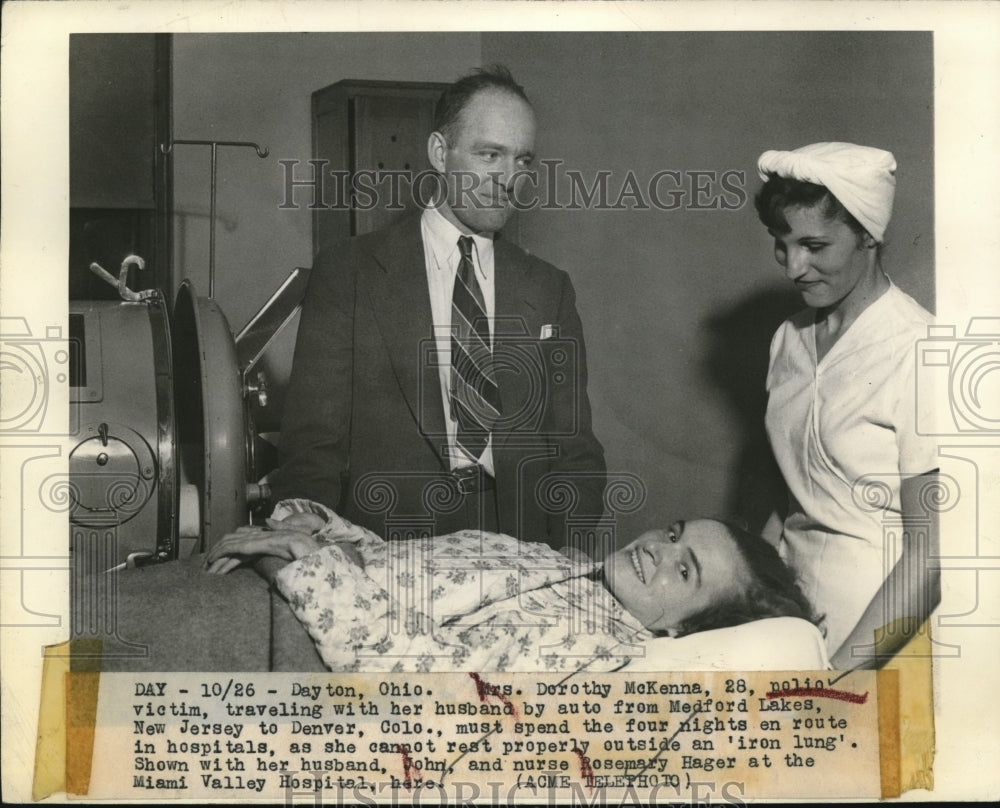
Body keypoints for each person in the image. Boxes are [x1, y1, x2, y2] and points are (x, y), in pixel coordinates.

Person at [266, 65, 606, 550]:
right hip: (384, 544)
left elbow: (575, 452)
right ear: (440, 154)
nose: (510, 179)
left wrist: (562, 553)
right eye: (490, 154)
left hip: (517, 549)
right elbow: (312, 447)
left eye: (523, 161)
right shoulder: (350, 273)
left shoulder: (550, 289)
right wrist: (304, 527)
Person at [205, 499, 816, 672]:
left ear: (682, 627)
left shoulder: (597, 649)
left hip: (276, 652)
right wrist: (329, 528)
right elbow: (408, 569)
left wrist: (309, 557)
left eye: (684, 571)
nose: (657, 548)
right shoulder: (564, 563)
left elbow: (412, 679)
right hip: (257, 590)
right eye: (674, 531)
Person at [754, 142, 940, 670]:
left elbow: (933, 555)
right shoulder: (788, 339)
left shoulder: (921, 349)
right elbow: (789, 501)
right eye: (781, 244)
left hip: (881, 636)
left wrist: (837, 680)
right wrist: (748, 606)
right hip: (791, 617)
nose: (794, 267)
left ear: (868, 236)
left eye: (815, 245)